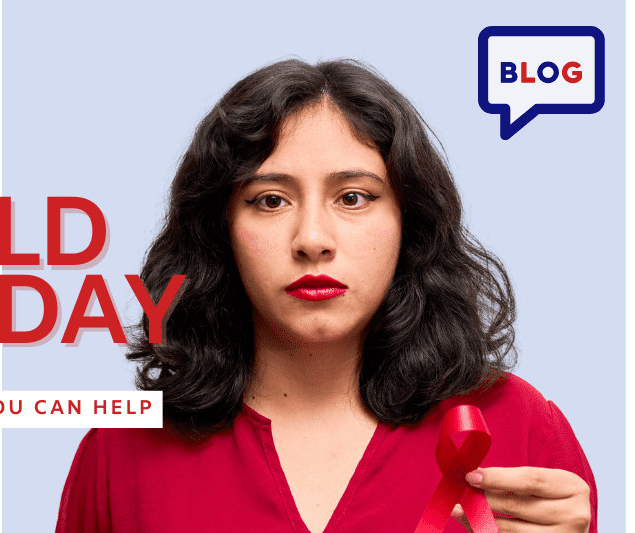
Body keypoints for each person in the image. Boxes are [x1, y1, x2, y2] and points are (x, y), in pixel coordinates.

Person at [56, 59, 596, 533]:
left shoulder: (517, 426)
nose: (312, 239)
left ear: (409, 221)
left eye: (354, 197)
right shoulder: (121, 450)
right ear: (220, 229)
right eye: (269, 200)